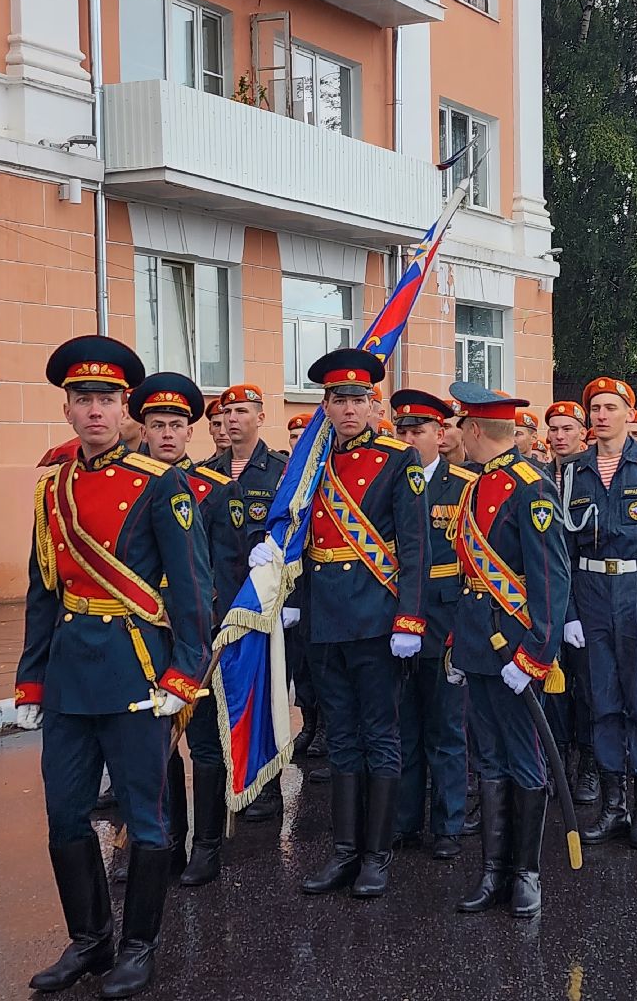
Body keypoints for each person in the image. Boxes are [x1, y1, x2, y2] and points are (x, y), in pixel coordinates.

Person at [16, 337, 212, 999]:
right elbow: (43, 586)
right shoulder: (53, 485)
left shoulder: (163, 484)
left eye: (106, 399)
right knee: (64, 815)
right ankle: (89, 940)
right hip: (71, 676)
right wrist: (31, 676)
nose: (95, 411)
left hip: (137, 672)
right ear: (68, 410)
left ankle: (137, 947)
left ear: (123, 408)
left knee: (146, 819)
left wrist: (184, 674)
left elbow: (191, 589)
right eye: (83, 400)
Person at [289, 349, 429, 900]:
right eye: (338, 400)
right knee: (341, 738)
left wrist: (409, 618)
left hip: (377, 618)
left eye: (358, 399)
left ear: (373, 405)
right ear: (325, 406)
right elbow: (299, 534)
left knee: (381, 734)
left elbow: (415, 546)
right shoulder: (311, 464)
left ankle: (377, 854)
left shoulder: (399, 460)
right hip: (325, 617)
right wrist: (295, 596)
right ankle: (344, 851)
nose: (349, 409)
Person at [447, 382, 570, 917]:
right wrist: (458, 642)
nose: (455, 435)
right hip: (478, 642)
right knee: (488, 757)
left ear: (474, 429)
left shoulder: (530, 487)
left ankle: (526, 873)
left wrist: (536, 655)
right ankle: (492, 870)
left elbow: (551, 580)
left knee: (523, 759)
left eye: (459, 426)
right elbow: (469, 577)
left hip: (516, 647)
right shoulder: (477, 485)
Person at [127, 371, 250, 888]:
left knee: (203, 744)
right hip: (141, 638)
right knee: (156, 747)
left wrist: (215, 635)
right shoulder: (127, 487)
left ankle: (207, 846)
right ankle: (167, 842)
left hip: (198, 637)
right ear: (145, 430)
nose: (168, 434)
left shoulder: (217, 491)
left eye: (178, 425)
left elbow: (229, 568)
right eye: (158, 425)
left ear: (191, 432)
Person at [562, 377, 637, 849]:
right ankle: (612, 807)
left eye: (610, 407)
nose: (600, 415)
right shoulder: (574, 469)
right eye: (594, 407)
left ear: (629, 415)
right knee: (602, 703)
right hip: (592, 593)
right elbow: (565, 548)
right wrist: (571, 610)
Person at [390, 390, 475, 859]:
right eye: (401, 430)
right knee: (403, 726)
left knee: (445, 726)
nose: (407, 438)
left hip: (446, 615)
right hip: (399, 617)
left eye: (417, 430)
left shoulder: (463, 484)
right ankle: (404, 822)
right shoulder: (387, 479)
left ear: (440, 435)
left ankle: (448, 824)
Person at [206, 383, 291, 818]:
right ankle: (233, 778)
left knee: (266, 692)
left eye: (242, 411)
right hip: (222, 601)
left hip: (265, 603)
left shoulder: (280, 471)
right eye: (228, 412)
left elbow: (294, 531)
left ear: (260, 416)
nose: (233, 419)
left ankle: (267, 786)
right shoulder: (208, 471)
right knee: (228, 693)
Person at [541, 400, 596, 804]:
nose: (559, 436)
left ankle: (590, 764)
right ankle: (556, 758)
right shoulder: (540, 475)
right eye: (554, 429)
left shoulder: (594, 474)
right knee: (552, 683)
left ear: (583, 433)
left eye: (567, 429)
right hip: (546, 594)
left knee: (589, 686)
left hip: (588, 592)